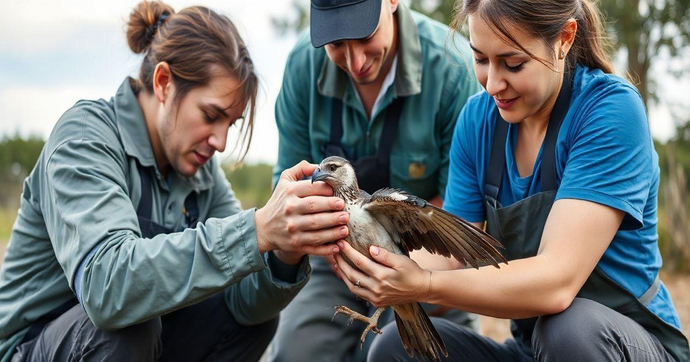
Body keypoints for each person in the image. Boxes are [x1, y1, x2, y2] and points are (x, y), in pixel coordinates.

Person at [332, 0, 690, 361]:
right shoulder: (476, 121)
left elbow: (557, 283)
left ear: (564, 39)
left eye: (513, 63)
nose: (493, 84)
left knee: (569, 330)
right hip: (532, 350)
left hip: (611, 344)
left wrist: (424, 285)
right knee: (394, 348)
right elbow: (452, 258)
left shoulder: (610, 112)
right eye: (481, 60)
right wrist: (370, 255)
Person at [0, 2, 349, 361]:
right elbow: (108, 288)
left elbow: (246, 303)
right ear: (164, 82)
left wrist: (283, 250)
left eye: (229, 124)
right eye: (211, 115)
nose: (221, 143)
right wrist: (256, 229)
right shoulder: (85, 137)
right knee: (131, 326)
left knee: (250, 323)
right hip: (32, 346)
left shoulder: (200, 172)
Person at [269, 0, 482, 360]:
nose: (355, 63)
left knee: (412, 352)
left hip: (421, 255)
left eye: (363, 34)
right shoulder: (302, 66)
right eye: (336, 45)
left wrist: (409, 280)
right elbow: (286, 201)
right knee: (296, 351)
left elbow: (460, 211)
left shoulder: (453, 64)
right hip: (330, 256)